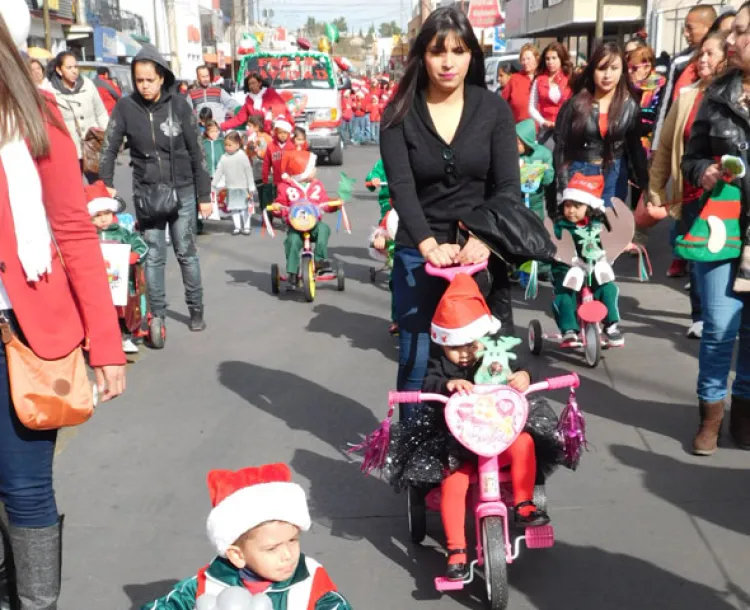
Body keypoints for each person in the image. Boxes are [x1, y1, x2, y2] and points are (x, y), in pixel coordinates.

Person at [0, 3, 126, 608]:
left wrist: (106, 344)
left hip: (22, 336)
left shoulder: (31, 109)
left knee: (25, 491)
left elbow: (73, 230)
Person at [380, 7, 547, 420]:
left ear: (472, 54)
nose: (448, 62)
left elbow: (507, 186)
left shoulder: (493, 111)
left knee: (489, 357)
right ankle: (415, 458)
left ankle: (481, 455)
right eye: (438, 52)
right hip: (420, 253)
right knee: (420, 362)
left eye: (458, 50)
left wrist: (483, 239)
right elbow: (402, 189)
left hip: (482, 251)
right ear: (423, 55)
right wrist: (427, 244)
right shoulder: (398, 114)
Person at [386, 275, 553, 581]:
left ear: (482, 338)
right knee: (454, 480)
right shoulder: (440, 362)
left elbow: (524, 365)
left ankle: (524, 502)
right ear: (443, 343)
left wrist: (525, 376)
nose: (463, 354)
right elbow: (428, 382)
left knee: (525, 443)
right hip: (460, 441)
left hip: (499, 433)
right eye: (455, 348)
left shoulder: (493, 356)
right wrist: (448, 384)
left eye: (470, 345)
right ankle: (457, 550)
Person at [99, 44, 212, 338]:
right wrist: (105, 182)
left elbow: (197, 151)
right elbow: (109, 147)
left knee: (186, 252)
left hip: (183, 191)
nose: (144, 85)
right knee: (153, 256)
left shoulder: (180, 106)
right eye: (139, 80)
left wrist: (204, 196)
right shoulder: (126, 107)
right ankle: (157, 315)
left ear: (162, 77)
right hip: (147, 194)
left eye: (150, 79)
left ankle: (196, 308)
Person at [681, 0, 750, 456]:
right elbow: (691, 157)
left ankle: (743, 411)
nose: (730, 39)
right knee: (720, 328)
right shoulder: (718, 92)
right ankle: (711, 414)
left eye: (741, 32)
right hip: (722, 229)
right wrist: (703, 170)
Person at [142, 463, 352, 609]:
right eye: (272, 548)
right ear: (237, 555)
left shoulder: (309, 579)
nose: (288, 555)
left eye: (292, 540)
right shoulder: (207, 584)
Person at [649, 31, 728, 340]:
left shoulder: (733, 96)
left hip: (729, 193)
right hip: (693, 191)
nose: (703, 59)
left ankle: (720, 314)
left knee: (724, 254)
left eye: (710, 53)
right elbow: (666, 146)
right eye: (701, 54)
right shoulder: (687, 96)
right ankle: (700, 314)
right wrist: (656, 189)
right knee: (698, 254)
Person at [554, 43, 648, 209]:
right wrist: (562, 184)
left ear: (622, 71)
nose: (607, 75)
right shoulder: (576, 104)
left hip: (614, 173)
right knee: (581, 230)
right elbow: (561, 146)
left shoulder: (629, 106)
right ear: (592, 70)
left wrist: (646, 184)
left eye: (614, 68)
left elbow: (635, 148)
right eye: (602, 68)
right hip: (580, 171)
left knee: (607, 227)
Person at [550, 173, 624, 347]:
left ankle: (611, 325)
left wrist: (623, 244)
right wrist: (549, 251)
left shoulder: (598, 224)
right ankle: (569, 329)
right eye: (567, 206)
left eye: (577, 206)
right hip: (567, 268)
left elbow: (611, 238)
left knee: (608, 288)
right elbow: (552, 241)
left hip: (594, 267)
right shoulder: (560, 226)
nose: (571, 211)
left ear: (589, 207)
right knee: (564, 295)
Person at [86, 181, 148, 354]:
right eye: (97, 215)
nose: (103, 218)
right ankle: (99, 339)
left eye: (106, 213)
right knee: (100, 312)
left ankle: (125, 337)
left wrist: (134, 256)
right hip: (97, 283)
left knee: (123, 311)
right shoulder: (89, 236)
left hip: (121, 283)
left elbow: (142, 247)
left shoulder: (122, 232)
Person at [652, 4, 718, 151]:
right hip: (682, 140)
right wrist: (656, 146)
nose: (686, 34)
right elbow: (665, 106)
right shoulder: (680, 62)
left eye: (690, 28)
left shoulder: (726, 59)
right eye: (685, 29)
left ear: (709, 28)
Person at [271, 150, 334, 288]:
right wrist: (277, 208)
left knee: (324, 230)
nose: (315, 170)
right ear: (303, 173)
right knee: (292, 242)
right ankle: (292, 272)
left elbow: (325, 202)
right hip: (295, 226)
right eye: (312, 168)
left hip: (314, 224)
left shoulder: (317, 185)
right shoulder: (285, 187)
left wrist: (333, 205)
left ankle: (319, 260)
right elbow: (280, 203)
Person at [48, 50, 109, 182]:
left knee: (99, 186)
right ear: (59, 70)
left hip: (93, 148)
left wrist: (107, 136)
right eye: (69, 68)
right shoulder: (51, 91)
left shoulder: (88, 85)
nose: (74, 71)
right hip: (68, 151)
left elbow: (101, 113)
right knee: (74, 189)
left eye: (76, 67)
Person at [212, 131, 256, 236]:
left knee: (245, 208)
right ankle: (237, 227)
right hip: (231, 188)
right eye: (225, 145)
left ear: (237, 145)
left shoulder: (242, 156)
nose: (227, 147)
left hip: (243, 187)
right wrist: (213, 183)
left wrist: (251, 186)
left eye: (230, 145)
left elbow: (248, 172)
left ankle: (246, 226)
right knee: (234, 208)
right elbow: (219, 171)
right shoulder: (224, 157)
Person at [529, 42, 573, 145]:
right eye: (547, 59)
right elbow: (531, 106)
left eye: (554, 58)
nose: (550, 62)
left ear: (561, 59)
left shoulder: (570, 79)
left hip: (566, 130)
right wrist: (542, 122)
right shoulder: (539, 80)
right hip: (546, 131)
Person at [221, 71, 292, 133]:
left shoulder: (271, 94)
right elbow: (239, 118)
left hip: (275, 131)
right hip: (258, 133)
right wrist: (221, 126)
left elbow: (280, 112)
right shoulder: (249, 101)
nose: (252, 86)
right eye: (250, 84)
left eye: (254, 83)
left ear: (260, 83)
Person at [516, 118, 554, 220]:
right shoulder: (510, 154)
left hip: (535, 202)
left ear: (526, 141)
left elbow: (548, 180)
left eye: (518, 143)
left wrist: (544, 170)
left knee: (536, 228)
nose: (513, 145)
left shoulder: (543, 154)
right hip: (515, 201)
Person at [501, 43, 540, 123]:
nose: (525, 62)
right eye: (523, 59)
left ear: (536, 58)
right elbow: (502, 102)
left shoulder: (543, 77)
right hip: (520, 128)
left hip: (542, 128)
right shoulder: (515, 79)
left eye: (528, 59)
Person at [261, 116, 295, 186]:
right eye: (280, 133)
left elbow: (296, 165)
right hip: (276, 181)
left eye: (285, 133)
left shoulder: (291, 147)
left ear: (288, 133)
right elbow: (266, 163)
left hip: (289, 181)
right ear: (276, 133)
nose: (282, 135)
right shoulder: (271, 146)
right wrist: (265, 178)